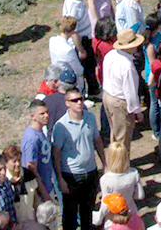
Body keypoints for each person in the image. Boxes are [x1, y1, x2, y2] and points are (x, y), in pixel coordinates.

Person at [52, 85, 105, 230]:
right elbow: (56, 153)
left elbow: (97, 141)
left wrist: (105, 163)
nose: (79, 102)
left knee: (87, 212)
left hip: (91, 172)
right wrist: (60, 179)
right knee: (70, 215)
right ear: (67, 103)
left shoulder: (90, 118)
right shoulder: (60, 126)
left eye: (80, 99)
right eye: (74, 100)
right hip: (71, 176)